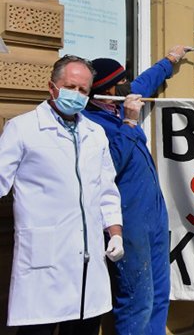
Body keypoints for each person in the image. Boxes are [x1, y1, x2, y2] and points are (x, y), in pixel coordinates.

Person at [0, 55, 123, 334]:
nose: (77, 95)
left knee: (84, 327)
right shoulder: (23, 128)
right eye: (71, 87)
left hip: (88, 262)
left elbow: (107, 189)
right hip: (44, 260)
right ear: (51, 87)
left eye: (83, 90)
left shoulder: (96, 133)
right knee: (38, 329)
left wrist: (115, 232)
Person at [83, 46, 188, 335]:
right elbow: (109, 165)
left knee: (158, 296)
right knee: (137, 301)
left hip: (153, 216)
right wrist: (129, 123)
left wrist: (169, 60)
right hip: (128, 222)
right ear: (105, 90)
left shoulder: (115, 105)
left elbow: (144, 82)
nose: (128, 87)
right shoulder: (90, 125)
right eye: (121, 83)